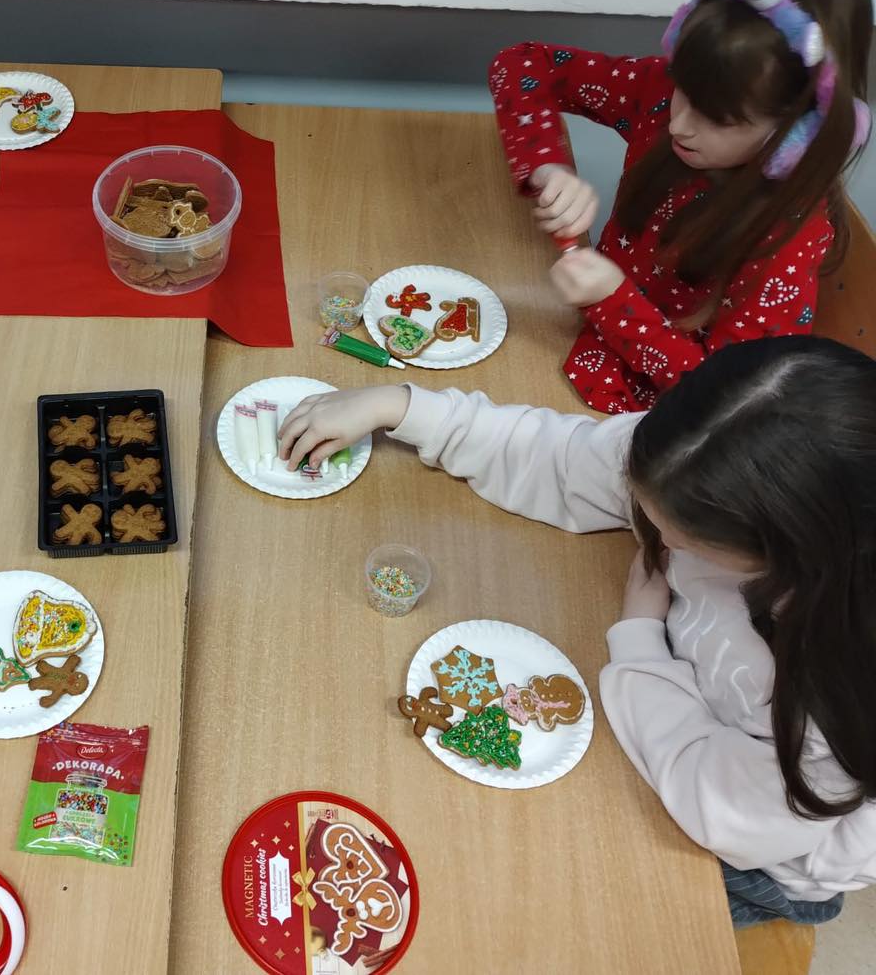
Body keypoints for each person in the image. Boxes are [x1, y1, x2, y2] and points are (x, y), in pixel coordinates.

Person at [278, 335, 876, 927]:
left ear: (797, 551)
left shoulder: (839, 687)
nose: (662, 539)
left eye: (688, 539)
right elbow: (560, 458)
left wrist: (639, 637)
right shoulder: (698, 458)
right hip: (675, 711)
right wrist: (400, 407)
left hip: (756, 851)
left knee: (519, 890)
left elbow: (721, 806)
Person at [488, 0, 870, 414]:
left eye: (719, 119)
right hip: (572, 339)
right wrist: (549, 165)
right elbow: (522, 62)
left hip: (652, 419)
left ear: (796, 133)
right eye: (682, 90)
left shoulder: (789, 240)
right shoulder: (660, 94)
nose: (679, 125)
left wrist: (612, 301)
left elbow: (730, 399)